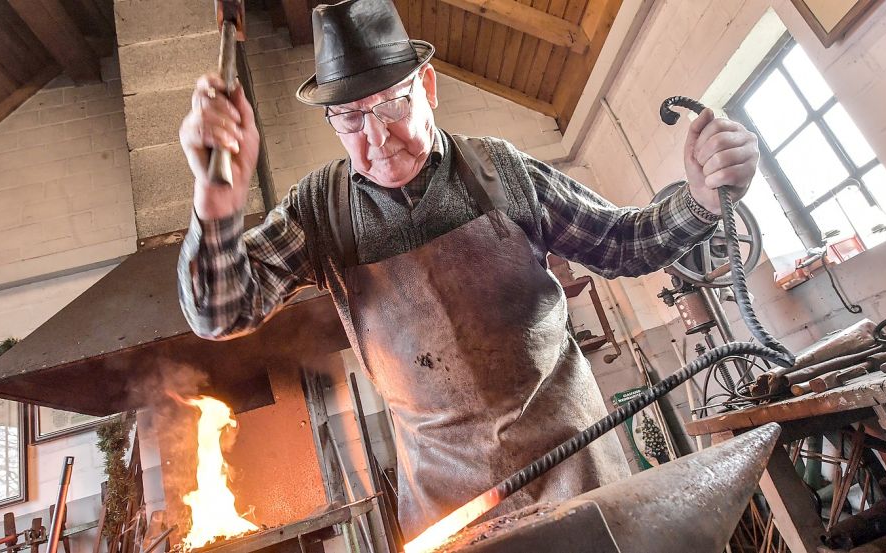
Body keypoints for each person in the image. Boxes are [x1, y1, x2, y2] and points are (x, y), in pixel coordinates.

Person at [177, 0, 759, 538]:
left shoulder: (502, 171)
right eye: (351, 119)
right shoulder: (320, 211)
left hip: (580, 479)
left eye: (391, 104)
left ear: (427, 87)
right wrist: (215, 202)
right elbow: (220, 312)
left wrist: (701, 199)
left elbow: (624, 245)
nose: (377, 138)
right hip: (453, 517)